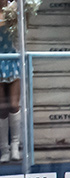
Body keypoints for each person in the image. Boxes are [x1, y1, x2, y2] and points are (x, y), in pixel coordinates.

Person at [0, 4, 23, 162]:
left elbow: (22, 24)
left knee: (14, 105)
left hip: (11, 58)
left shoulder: (12, 10)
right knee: (1, 108)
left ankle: (15, 146)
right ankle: (4, 149)